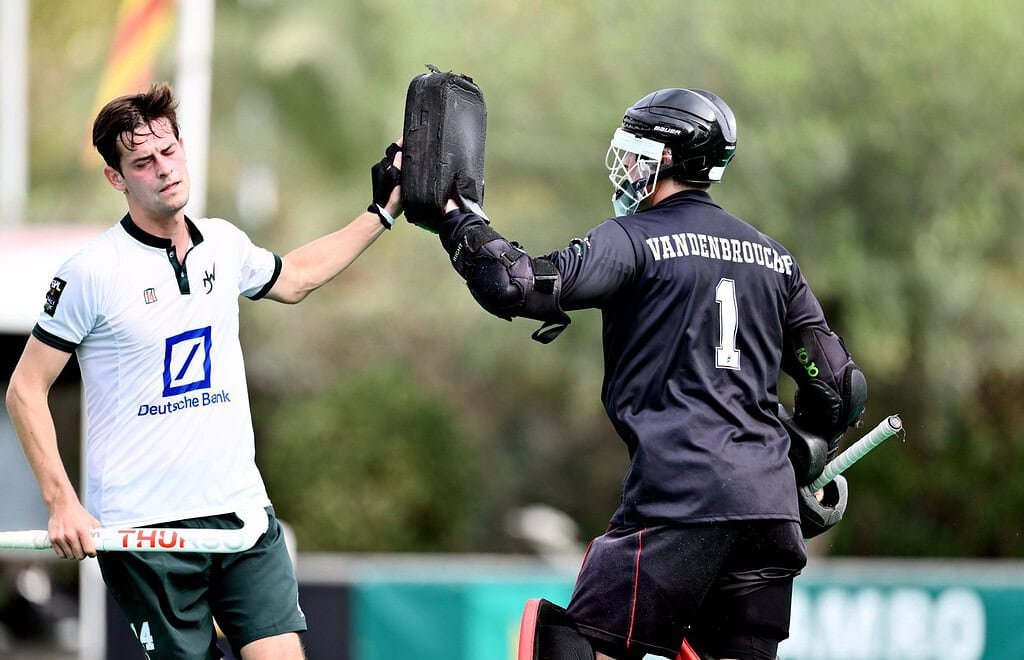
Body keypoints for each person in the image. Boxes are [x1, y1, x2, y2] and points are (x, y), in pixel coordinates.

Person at [412, 88, 867, 659]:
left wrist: (457, 219)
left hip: (678, 503)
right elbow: (838, 389)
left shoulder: (633, 240)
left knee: (575, 646)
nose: (625, 165)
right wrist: (803, 457)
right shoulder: (776, 259)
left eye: (633, 151)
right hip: (769, 516)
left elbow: (516, 283)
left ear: (665, 158)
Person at [4, 82, 403, 660]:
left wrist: (380, 214)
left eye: (169, 152)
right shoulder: (90, 273)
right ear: (117, 179)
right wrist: (61, 499)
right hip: (146, 533)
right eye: (142, 162)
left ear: (182, 148)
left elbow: (294, 278)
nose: (163, 169)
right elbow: (24, 390)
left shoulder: (223, 243)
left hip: (239, 514)